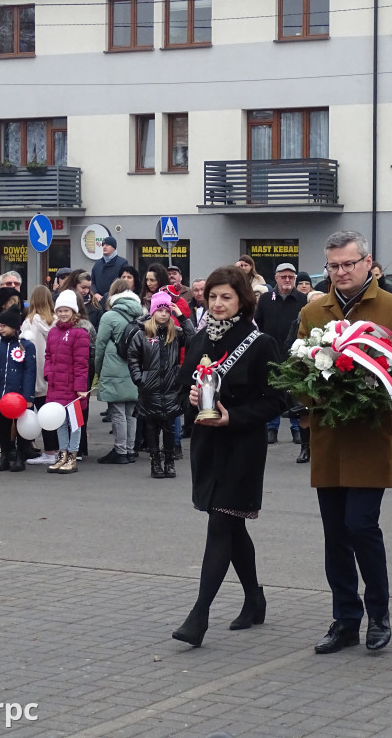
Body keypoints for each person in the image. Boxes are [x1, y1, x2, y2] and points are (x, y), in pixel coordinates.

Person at [297, 230, 392, 655]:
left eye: (349, 264)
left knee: (361, 526)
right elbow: (296, 367)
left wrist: (372, 385)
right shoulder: (316, 311)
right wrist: (312, 389)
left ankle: (380, 613)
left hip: (371, 437)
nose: (341, 272)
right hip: (329, 437)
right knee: (335, 533)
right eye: (333, 266)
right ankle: (345, 619)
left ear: (368, 263)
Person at [170, 266, 286, 648]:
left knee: (221, 524)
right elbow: (185, 383)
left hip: (241, 447)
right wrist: (190, 400)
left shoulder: (260, 343)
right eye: (213, 296)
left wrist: (234, 416)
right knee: (232, 527)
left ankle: (199, 615)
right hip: (207, 446)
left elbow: (276, 400)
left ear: (242, 301)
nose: (218, 304)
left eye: (226, 297)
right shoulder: (203, 337)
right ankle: (254, 598)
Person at [127, 291, 195, 479]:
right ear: (153, 312)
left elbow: (193, 339)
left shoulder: (176, 332)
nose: (164, 314)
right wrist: (140, 378)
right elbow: (133, 357)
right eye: (160, 310)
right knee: (151, 428)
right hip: (149, 388)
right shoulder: (142, 334)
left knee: (169, 427)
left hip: (171, 387)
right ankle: (155, 461)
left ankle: (170, 462)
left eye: (167, 310)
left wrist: (181, 317)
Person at [254, 263, 306, 445]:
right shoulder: (266, 299)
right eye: (283, 277)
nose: (287, 280)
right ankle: (271, 428)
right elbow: (258, 324)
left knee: (296, 392)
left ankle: (297, 429)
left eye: (291, 277)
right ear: (276, 278)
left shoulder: (302, 299)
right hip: (270, 352)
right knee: (271, 391)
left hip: (295, 353)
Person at [94, 279, 144, 464]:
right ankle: (131, 450)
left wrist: (98, 370)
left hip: (114, 366)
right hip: (135, 367)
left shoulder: (109, 317)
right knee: (131, 412)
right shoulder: (141, 314)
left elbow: (100, 345)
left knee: (117, 411)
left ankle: (120, 450)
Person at [43, 290, 91, 475]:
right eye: (60, 310)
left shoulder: (80, 333)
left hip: (73, 388)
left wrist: (80, 388)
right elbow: (48, 356)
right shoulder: (53, 332)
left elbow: (82, 363)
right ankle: (62, 454)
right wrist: (48, 373)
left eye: (66, 310)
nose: (63, 314)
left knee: (75, 423)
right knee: (60, 422)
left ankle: (72, 455)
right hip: (56, 386)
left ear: (74, 311)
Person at [0, 309, 37, 472]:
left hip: (19, 395)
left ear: (15, 327)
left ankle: (20, 457)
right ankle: (5, 456)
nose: (0, 329)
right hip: (1, 394)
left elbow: (30, 371)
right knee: (2, 427)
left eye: (4, 326)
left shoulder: (27, 346)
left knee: (21, 427)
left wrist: (28, 395)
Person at [21, 286, 59, 467]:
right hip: (53, 374)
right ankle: (57, 449)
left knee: (38, 413)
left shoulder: (29, 322)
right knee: (51, 414)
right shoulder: (57, 321)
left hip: (35, 374)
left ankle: (48, 451)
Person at [90, 236, 129, 305]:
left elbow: (124, 283)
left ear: (114, 247)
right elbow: (92, 282)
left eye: (107, 245)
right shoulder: (97, 264)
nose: (104, 247)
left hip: (115, 301)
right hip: (99, 302)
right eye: (103, 245)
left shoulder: (122, 263)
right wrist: (95, 293)